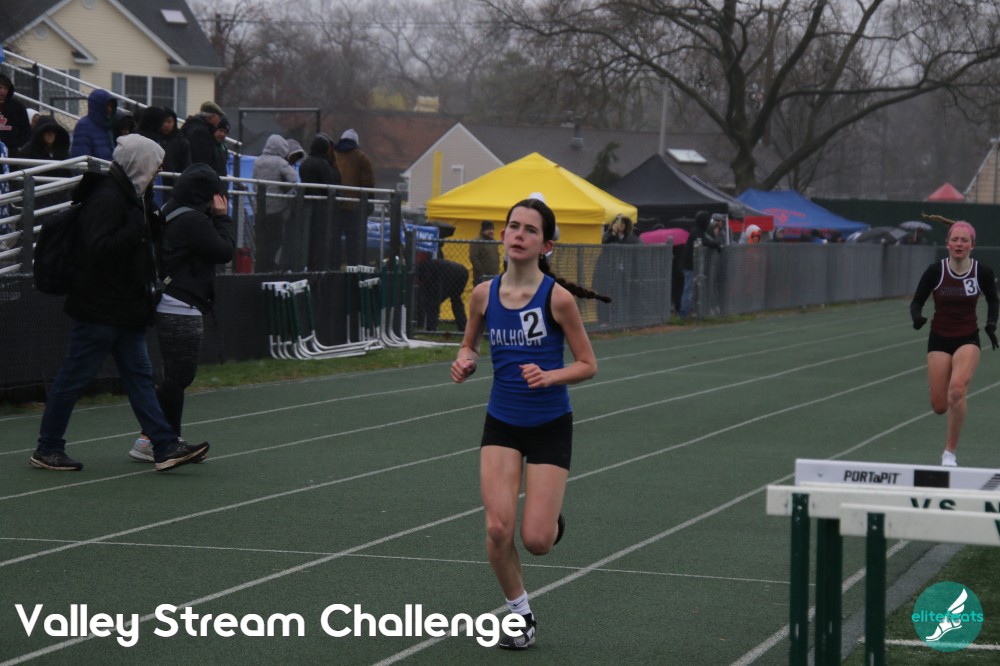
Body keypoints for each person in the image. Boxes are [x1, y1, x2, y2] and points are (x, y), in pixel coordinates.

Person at [450, 194, 608, 649]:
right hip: (501, 423)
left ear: (546, 245)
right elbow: (469, 345)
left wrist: (550, 375)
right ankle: (520, 617)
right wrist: (465, 361)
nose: (519, 235)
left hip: (549, 424)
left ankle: (551, 519)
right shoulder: (483, 294)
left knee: (537, 540)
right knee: (497, 528)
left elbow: (588, 364)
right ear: (503, 235)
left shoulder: (557, 299)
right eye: (514, 227)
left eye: (530, 230)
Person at [30, 134, 210, 472]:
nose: (159, 170)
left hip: (124, 307)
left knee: (140, 379)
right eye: (155, 164)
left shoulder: (131, 197)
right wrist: (137, 226)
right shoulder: (108, 198)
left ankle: (164, 445)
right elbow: (99, 249)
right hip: (100, 308)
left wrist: (147, 222)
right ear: (139, 164)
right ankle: (48, 447)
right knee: (73, 379)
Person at [129, 163, 235, 462]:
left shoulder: (172, 210)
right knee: (178, 377)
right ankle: (157, 440)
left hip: (171, 299)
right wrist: (222, 218)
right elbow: (224, 251)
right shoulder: (194, 220)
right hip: (181, 304)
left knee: (174, 376)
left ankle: (161, 438)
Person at [910, 221, 998, 467]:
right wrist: (917, 317)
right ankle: (943, 386)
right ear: (947, 243)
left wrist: (991, 324)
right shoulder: (935, 271)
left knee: (957, 390)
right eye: (955, 240)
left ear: (972, 245)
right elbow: (917, 301)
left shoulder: (982, 272)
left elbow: (993, 300)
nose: (959, 244)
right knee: (939, 406)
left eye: (964, 240)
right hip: (939, 338)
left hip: (968, 337)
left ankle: (949, 453)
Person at [252, 134, 298, 271]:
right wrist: (285, 191)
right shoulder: (280, 162)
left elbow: (254, 184)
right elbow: (293, 178)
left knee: (261, 241)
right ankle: (270, 267)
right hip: (276, 208)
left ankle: (259, 269)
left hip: (259, 208)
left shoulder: (257, 161)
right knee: (275, 240)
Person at [298, 132, 341, 270]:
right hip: (321, 209)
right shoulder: (323, 165)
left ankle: (306, 265)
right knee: (320, 240)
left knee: (307, 239)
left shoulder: (305, 163)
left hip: (306, 206)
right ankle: (319, 267)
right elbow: (329, 186)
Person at [332, 129, 375, 267]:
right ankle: (353, 270)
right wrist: (369, 201)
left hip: (335, 205)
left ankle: (333, 269)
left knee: (334, 239)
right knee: (354, 242)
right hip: (354, 207)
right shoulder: (361, 157)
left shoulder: (333, 154)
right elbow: (368, 182)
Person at [679, 210, 721, 317]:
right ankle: (684, 313)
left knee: (692, 289)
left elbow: (706, 240)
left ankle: (689, 311)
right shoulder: (696, 231)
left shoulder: (699, 231)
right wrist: (715, 245)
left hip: (692, 265)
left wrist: (715, 244)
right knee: (688, 289)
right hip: (689, 265)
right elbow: (704, 242)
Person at [416, 255, 469, 332]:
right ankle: (463, 327)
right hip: (461, 273)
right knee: (456, 301)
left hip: (453, 275)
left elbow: (433, 289)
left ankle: (431, 328)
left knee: (434, 302)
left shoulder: (428, 270)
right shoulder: (429, 267)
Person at [70, 89, 117, 161]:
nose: (110, 109)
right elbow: (80, 160)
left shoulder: (106, 128)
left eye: (111, 106)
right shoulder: (83, 127)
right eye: (107, 106)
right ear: (98, 107)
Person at [182, 101, 223, 170]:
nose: (219, 120)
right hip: (199, 172)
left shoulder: (193, 126)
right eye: (219, 117)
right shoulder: (201, 132)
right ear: (212, 117)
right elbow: (202, 158)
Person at [0, 73, 31, 158]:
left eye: (5, 88)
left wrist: (20, 148)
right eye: (0, 88)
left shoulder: (17, 106)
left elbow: (25, 130)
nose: (2, 91)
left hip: (12, 151)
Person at [470, 220, 500, 285]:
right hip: (481, 278)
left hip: (494, 277)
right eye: (488, 229)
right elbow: (474, 258)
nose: (491, 231)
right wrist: (482, 273)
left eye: (492, 229)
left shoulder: (494, 242)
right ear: (483, 230)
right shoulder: (477, 241)